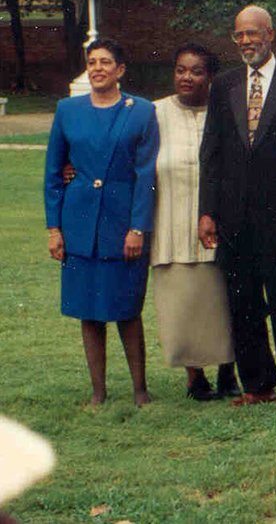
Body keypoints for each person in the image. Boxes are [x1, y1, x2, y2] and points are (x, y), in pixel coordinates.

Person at [198, 5, 276, 409]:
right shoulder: (224, 86)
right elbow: (211, 153)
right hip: (233, 218)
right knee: (242, 303)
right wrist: (207, 211)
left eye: (253, 33)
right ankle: (258, 384)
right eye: (239, 35)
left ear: (271, 34)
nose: (247, 41)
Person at [44, 38, 160, 407]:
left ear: (120, 70)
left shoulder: (140, 111)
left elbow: (146, 175)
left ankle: (140, 390)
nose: (97, 68)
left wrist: (137, 227)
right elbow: (52, 173)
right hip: (78, 225)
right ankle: (98, 392)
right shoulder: (67, 110)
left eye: (105, 62)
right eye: (92, 61)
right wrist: (54, 228)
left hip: (123, 225)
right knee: (88, 312)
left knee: (126, 309)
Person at [150, 44, 238, 401]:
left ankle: (228, 372)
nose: (187, 77)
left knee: (224, 302)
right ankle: (194, 377)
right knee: (183, 303)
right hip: (170, 220)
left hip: (221, 224)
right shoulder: (153, 114)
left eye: (197, 71)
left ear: (211, 77)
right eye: (181, 69)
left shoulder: (226, 114)